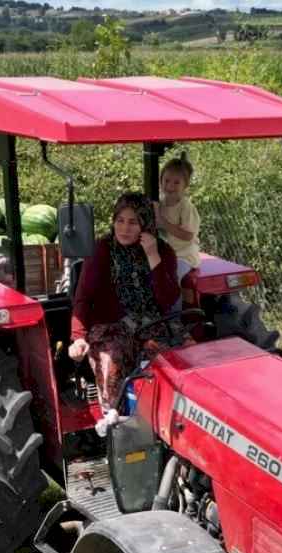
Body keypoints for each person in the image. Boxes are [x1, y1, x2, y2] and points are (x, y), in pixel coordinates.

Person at [69, 192, 183, 411]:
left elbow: (168, 299)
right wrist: (78, 338)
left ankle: (171, 415)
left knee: (179, 356)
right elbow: (83, 297)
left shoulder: (164, 251)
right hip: (110, 325)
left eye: (133, 222)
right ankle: (116, 421)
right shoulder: (102, 250)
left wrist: (152, 256)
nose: (124, 228)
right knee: (113, 359)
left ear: (145, 225)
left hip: (151, 322)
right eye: (119, 221)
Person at [156, 157, 201, 288]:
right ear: (161, 181)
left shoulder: (185, 207)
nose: (170, 186)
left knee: (171, 279)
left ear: (185, 185)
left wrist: (163, 222)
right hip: (166, 255)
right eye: (167, 181)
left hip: (184, 257)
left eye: (176, 183)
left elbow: (188, 235)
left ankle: (175, 308)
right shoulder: (161, 205)